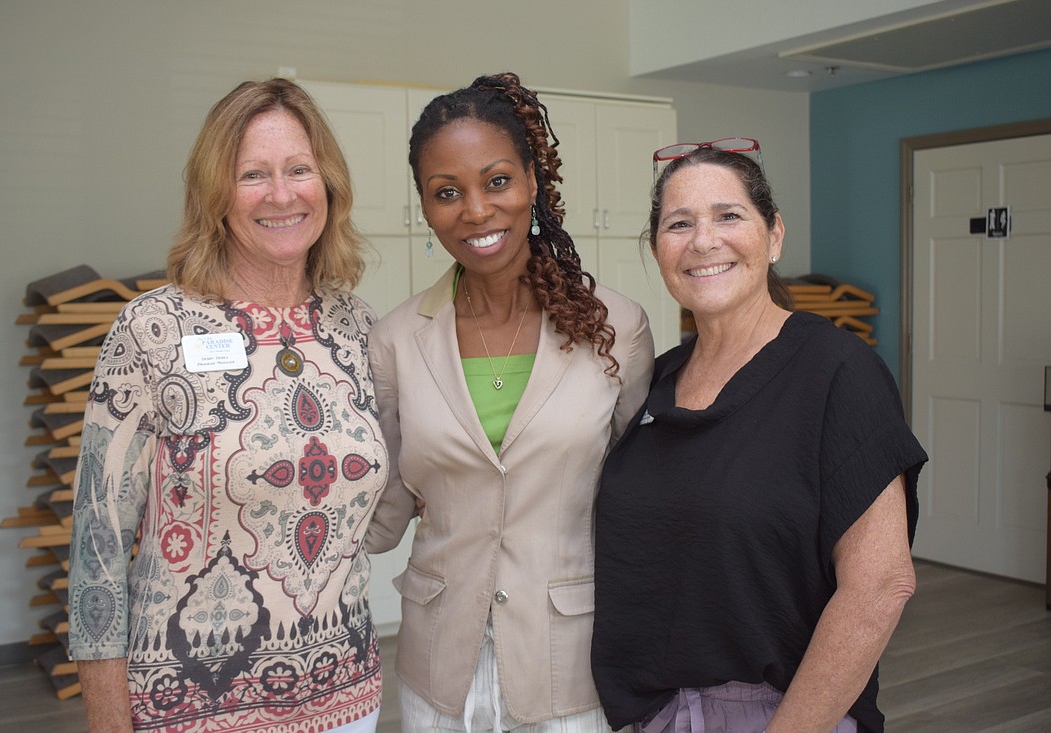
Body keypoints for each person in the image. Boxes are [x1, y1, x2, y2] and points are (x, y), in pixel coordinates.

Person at [67, 79, 388, 733]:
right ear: (215, 194)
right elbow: (97, 545)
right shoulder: (153, 329)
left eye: (299, 169)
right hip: (196, 704)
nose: (281, 193)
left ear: (327, 184)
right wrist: (106, 718)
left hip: (349, 699)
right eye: (252, 175)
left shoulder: (358, 326)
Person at [591, 140, 928, 733]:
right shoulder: (657, 378)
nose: (703, 241)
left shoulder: (837, 370)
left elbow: (880, 584)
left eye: (729, 216)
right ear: (657, 250)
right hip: (656, 714)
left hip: (784, 714)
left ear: (774, 235)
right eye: (679, 224)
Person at [364, 72, 654, 732]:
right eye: (446, 193)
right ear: (424, 205)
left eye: (496, 181)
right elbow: (380, 516)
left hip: (571, 658)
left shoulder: (618, 327)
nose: (475, 210)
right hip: (440, 661)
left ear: (531, 181)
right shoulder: (396, 341)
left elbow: (639, 500)